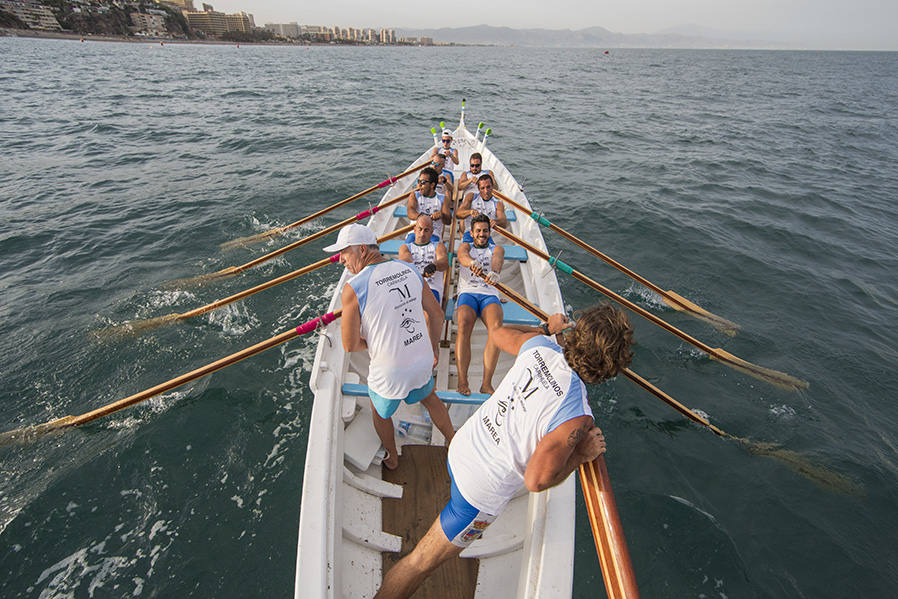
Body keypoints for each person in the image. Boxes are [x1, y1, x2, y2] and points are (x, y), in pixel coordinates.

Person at [375, 304, 635, 599]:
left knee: (422, 556)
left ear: (577, 333)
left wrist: (547, 329)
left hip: (461, 448)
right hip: (478, 493)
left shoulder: (539, 346)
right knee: (419, 563)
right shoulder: (577, 415)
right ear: (609, 368)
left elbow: (497, 335)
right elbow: (536, 481)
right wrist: (581, 455)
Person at [325, 223, 455, 470]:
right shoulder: (410, 269)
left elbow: (350, 345)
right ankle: (452, 440)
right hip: (422, 358)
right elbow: (437, 314)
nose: (340, 259)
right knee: (430, 397)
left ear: (362, 250)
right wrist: (433, 349)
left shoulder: (353, 287)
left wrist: (376, 343)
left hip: (391, 371)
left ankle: (393, 457)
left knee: (380, 411)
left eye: (344, 252)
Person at [455, 214, 504, 396]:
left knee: (496, 329)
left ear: (489, 232)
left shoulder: (496, 248)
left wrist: (495, 273)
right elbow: (462, 257)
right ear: (472, 232)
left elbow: (497, 260)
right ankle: (462, 380)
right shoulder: (465, 246)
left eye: (485, 231)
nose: (482, 234)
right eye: (478, 231)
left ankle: (486, 383)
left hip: (488, 293)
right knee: (463, 325)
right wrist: (471, 263)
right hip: (468, 292)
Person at [398, 214, 449, 304]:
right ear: (414, 229)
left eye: (426, 230)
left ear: (432, 232)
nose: (422, 234)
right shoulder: (405, 247)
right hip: (411, 287)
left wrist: (434, 265)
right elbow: (405, 262)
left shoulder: (439, 246)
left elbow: (444, 262)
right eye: (420, 229)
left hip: (431, 288)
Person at [407, 166, 451, 241]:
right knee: (406, 246)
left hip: (433, 233)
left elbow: (448, 221)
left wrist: (442, 215)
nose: (419, 185)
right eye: (419, 181)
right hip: (415, 232)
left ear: (432, 185)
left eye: (423, 182)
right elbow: (410, 212)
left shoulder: (443, 199)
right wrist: (424, 218)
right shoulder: (414, 195)